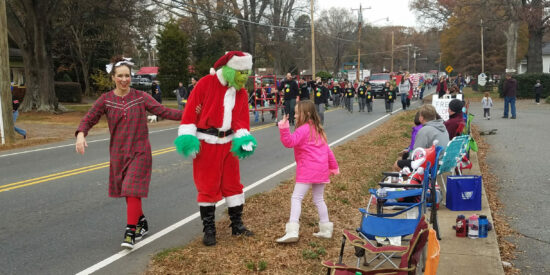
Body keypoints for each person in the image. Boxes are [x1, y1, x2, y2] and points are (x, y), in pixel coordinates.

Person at [75, 56, 183, 249]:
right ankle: (141, 222)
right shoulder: (106, 100)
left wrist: (191, 114)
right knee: (128, 193)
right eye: (120, 76)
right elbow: (89, 118)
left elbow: (164, 111)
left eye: (127, 75)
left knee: (132, 189)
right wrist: (81, 135)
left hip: (140, 151)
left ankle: (130, 232)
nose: (124, 79)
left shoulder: (140, 97)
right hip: (118, 154)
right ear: (113, 78)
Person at [174, 51, 257, 247]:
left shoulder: (241, 91)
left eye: (246, 72)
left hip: (229, 142)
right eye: (241, 72)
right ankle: (209, 229)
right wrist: (188, 137)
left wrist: (243, 137)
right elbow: (190, 112)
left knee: (233, 184)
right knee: (207, 185)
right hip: (207, 142)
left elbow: (242, 117)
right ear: (230, 70)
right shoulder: (205, 83)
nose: (244, 77)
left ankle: (237, 225)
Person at [276, 101, 339, 243]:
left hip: (307, 170)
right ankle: (326, 229)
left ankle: (292, 230)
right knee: (319, 199)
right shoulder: (318, 129)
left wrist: (284, 127)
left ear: (307, 114)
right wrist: (333, 167)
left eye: (298, 113)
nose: (295, 115)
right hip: (321, 170)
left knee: (296, 197)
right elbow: (327, 151)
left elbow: (289, 142)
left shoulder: (303, 129)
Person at [394, 104, 449, 171]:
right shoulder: (443, 127)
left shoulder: (425, 130)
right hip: (442, 162)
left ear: (421, 118)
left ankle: (413, 180)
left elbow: (416, 154)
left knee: (397, 164)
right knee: (405, 157)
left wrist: (407, 157)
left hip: (430, 165)